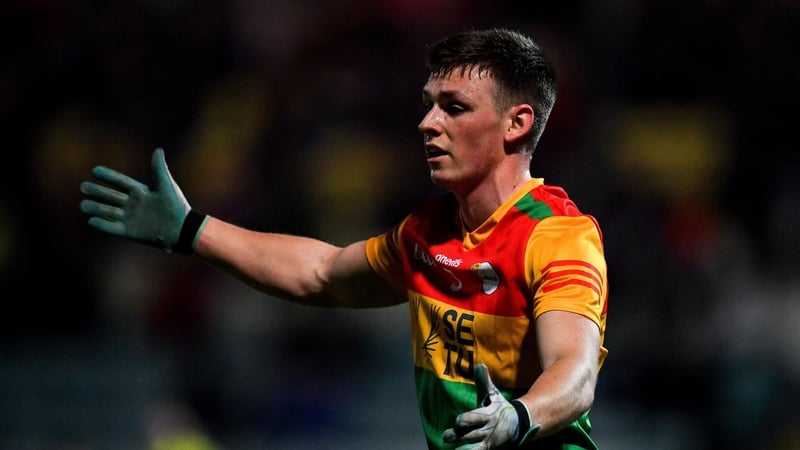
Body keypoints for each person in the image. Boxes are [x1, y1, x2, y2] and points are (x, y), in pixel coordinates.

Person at [80, 28, 608, 449]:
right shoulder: (426, 233)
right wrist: (193, 230)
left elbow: (575, 372)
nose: (427, 123)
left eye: (454, 107)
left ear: (517, 123)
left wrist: (515, 419)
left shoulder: (558, 235)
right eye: (428, 103)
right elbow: (321, 273)